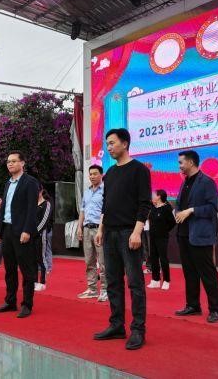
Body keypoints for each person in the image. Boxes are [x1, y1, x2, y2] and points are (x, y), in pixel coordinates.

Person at [93, 128, 151, 351]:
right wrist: (101, 229)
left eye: (112, 143)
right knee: (113, 282)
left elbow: (144, 204)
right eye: (107, 143)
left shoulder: (139, 170)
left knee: (135, 282)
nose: (108, 147)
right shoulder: (110, 173)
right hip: (109, 233)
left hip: (129, 233)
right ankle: (117, 325)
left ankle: (138, 329)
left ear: (125, 144)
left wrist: (137, 232)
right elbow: (106, 205)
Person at [174, 150, 218, 323]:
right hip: (183, 234)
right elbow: (179, 204)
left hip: (200, 235)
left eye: (181, 163)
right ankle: (193, 305)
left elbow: (213, 208)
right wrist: (177, 212)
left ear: (191, 162)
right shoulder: (185, 182)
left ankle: (215, 309)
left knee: (208, 274)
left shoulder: (207, 182)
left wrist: (191, 210)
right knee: (189, 273)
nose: (179, 166)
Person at [0, 151, 39, 319]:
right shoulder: (8, 183)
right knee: (9, 269)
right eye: (8, 162)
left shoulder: (30, 182)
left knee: (26, 269)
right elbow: (3, 209)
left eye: (13, 161)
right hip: (7, 230)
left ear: (22, 163)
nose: (10, 164)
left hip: (22, 231)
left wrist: (27, 230)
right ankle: (10, 301)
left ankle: (27, 304)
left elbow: (32, 209)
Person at [77, 164, 107, 302]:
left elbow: (106, 211)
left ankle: (105, 290)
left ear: (101, 175)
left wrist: (101, 229)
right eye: (90, 174)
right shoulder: (87, 192)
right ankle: (92, 289)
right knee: (89, 261)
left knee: (103, 261)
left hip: (99, 229)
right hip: (87, 228)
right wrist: (79, 227)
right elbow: (82, 210)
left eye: (95, 174)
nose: (92, 176)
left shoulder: (105, 190)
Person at [147, 190, 176, 290]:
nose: (152, 196)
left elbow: (172, 222)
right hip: (152, 236)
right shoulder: (153, 207)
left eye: (154, 195)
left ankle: (166, 280)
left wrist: (164, 230)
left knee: (163, 259)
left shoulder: (166, 208)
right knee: (153, 258)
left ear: (159, 196)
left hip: (162, 237)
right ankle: (155, 280)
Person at [34, 188, 53, 292]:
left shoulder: (46, 204)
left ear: (41, 191)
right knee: (32, 259)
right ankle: (34, 281)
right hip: (30, 235)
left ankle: (42, 282)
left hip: (41, 234)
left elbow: (44, 221)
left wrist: (36, 231)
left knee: (41, 257)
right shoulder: (32, 204)